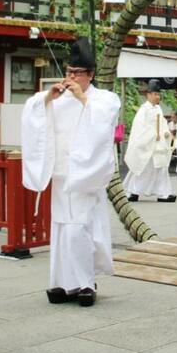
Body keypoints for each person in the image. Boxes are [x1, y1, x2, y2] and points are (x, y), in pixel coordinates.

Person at [21, 37, 121, 306]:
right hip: (62, 172)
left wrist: (81, 96)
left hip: (86, 175)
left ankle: (86, 282)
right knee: (62, 229)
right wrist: (47, 98)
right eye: (69, 72)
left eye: (78, 73)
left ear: (90, 74)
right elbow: (32, 112)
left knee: (80, 229)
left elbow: (103, 122)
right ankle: (62, 283)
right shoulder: (59, 98)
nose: (72, 77)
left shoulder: (105, 99)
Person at [123, 80, 176, 203]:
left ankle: (163, 193)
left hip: (157, 145)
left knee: (160, 168)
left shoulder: (158, 109)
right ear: (149, 95)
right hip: (147, 144)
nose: (158, 96)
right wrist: (153, 134)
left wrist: (165, 133)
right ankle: (132, 191)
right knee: (141, 168)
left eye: (158, 94)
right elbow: (140, 128)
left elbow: (162, 124)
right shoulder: (143, 110)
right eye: (155, 94)